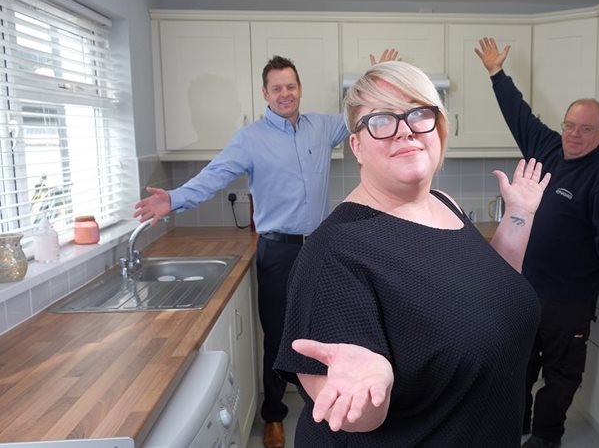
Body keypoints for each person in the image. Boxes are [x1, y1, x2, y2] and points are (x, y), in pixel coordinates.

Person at [273, 60, 552, 447]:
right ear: (356, 145)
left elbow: (491, 293)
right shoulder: (334, 252)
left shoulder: (445, 204)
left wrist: (519, 216)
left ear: (438, 128)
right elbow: (352, 418)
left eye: (419, 113)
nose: (405, 130)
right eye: (381, 120)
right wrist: (374, 387)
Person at [133, 51, 397, 448]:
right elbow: (214, 176)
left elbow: (364, 114)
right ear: (265, 93)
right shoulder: (250, 139)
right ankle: (274, 416)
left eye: (291, 86)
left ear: (300, 89)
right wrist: (172, 200)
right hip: (278, 252)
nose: (285, 93)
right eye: (277, 88)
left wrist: (376, 78)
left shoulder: (324, 128)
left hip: (323, 249)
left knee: (327, 332)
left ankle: (328, 408)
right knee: (278, 338)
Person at [474, 37, 599, 448]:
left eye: (585, 129)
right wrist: (496, 74)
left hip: (569, 298)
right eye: (570, 126)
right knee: (519, 363)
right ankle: (514, 424)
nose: (574, 135)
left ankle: (545, 436)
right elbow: (517, 114)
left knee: (561, 374)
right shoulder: (547, 147)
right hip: (526, 287)